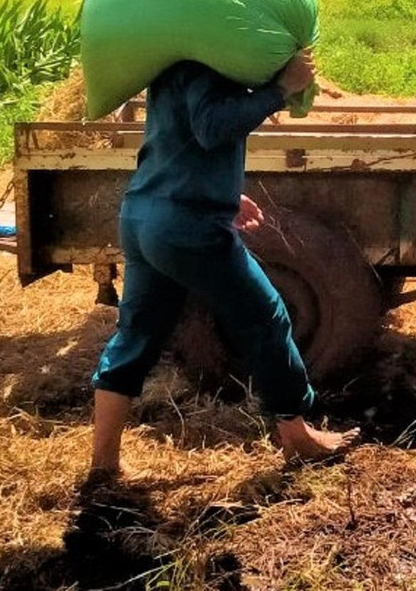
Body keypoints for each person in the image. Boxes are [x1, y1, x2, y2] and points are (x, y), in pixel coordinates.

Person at [89, 50, 359, 478]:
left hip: (143, 214)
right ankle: (297, 436)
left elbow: (181, 143)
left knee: (137, 333)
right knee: (266, 316)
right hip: (187, 226)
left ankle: (103, 463)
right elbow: (212, 128)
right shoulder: (208, 64)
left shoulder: (170, 63)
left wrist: (224, 194)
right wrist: (280, 91)